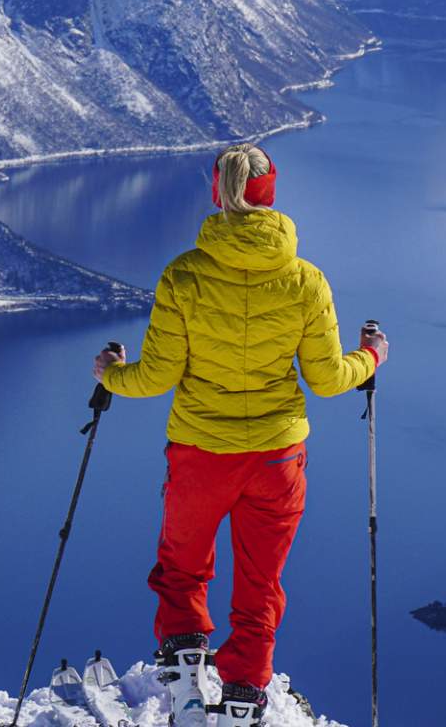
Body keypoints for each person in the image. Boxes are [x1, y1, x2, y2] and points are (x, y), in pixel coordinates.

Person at [94, 142, 389, 727]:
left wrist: (110, 373)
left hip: (200, 453)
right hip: (277, 461)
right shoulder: (306, 281)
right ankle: (240, 702)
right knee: (260, 584)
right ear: (270, 193)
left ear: (217, 193)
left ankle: (185, 687)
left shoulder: (184, 275)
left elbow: (155, 378)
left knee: (182, 568)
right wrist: (371, 357)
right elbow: (328, 379)